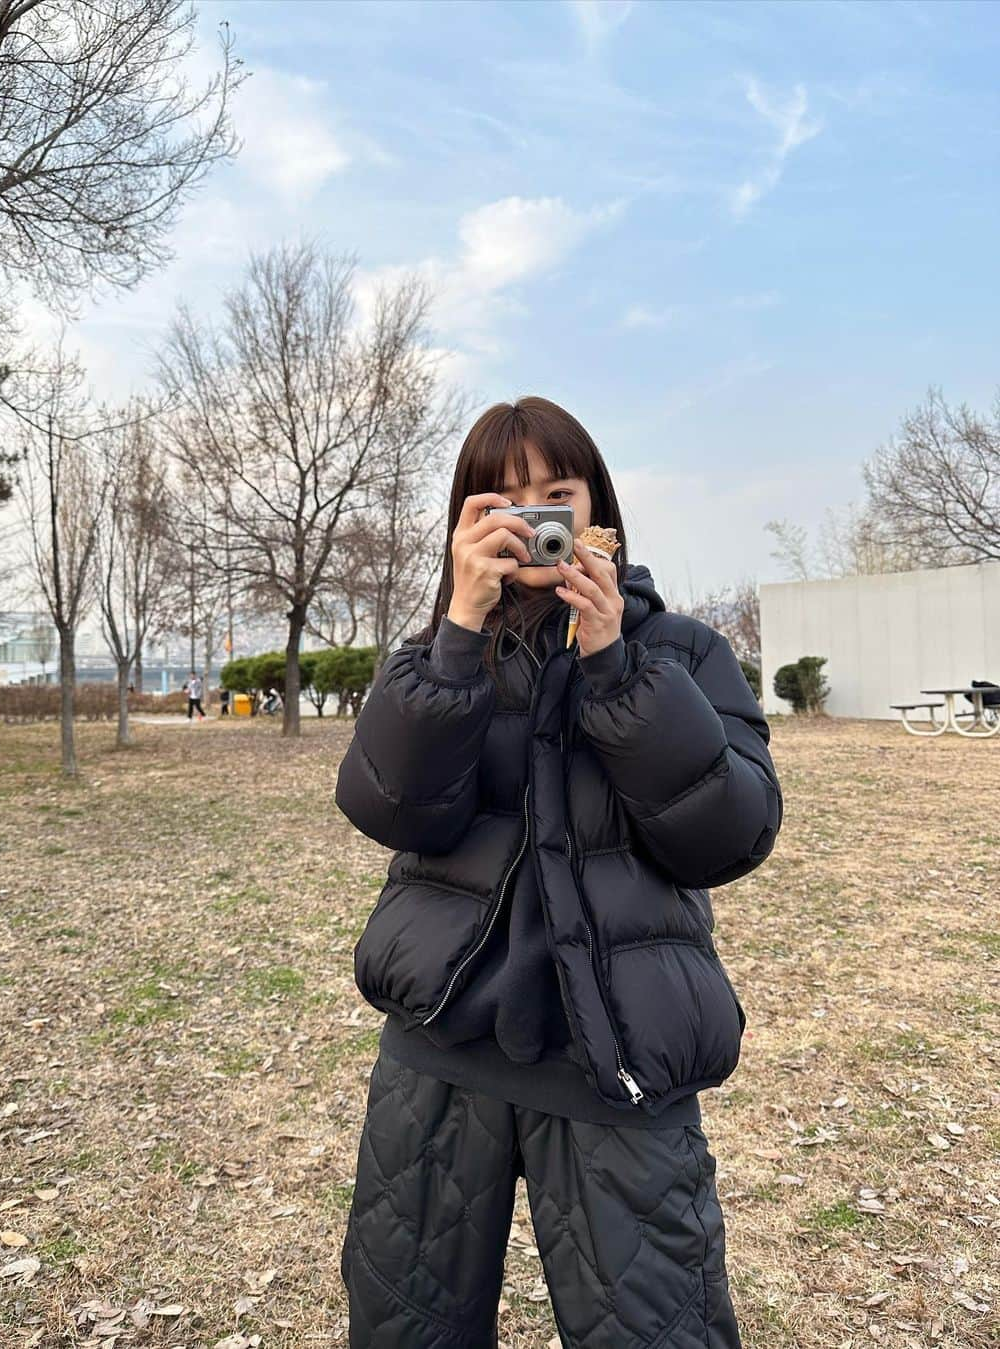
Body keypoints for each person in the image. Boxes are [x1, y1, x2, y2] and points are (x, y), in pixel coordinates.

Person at [334, 396, 783, 1347]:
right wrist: (459, 633)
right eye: (499, 499)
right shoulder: (433, 658)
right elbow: (390, 809)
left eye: (555, 493)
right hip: (440, 1052)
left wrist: (617, 668)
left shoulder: (680, 650)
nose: (530, 519)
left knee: (660, 1329)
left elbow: (733, 834)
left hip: (617, 1063)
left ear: (598, 513)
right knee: (404, 1327)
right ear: (464, 524)